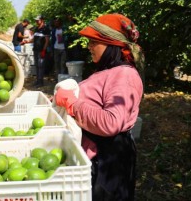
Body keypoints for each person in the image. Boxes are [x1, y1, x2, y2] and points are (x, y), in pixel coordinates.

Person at [55, 13, 144, 200]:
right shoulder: (109, 71)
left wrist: (71, 103)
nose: (89, 47)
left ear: (112, 44)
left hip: (108, 161)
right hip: (99, 157)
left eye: (94, 42)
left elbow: (111, 122)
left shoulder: (124, 76)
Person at [31, 15, 51, 87]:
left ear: (42, 20)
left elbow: (47, 41)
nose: (36, 21)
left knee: (41, 66)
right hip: (35, 50)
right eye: (36, 20)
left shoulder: (46, 29)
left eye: (37, 20)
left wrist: (44, 50)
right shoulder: (36, 28)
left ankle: (40, 82)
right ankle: (37, 81)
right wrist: (27, 41)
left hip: (41, 50)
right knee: (37, 66)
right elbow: (34, 39)